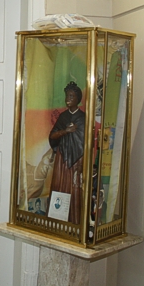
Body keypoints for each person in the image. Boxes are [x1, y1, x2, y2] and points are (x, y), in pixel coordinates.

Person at [48, 81, 85, 224]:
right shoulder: (63, 117)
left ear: (78, 98)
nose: (68, 99)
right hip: (62, 158)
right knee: (59, 185)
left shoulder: (83, 118)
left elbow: (84, 143)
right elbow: (52, 136)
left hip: (76, 161)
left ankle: (73, 222)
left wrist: (81, 164)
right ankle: (56, 219)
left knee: (74, 189)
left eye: (71, 96)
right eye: (67, 96)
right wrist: (66, 131)